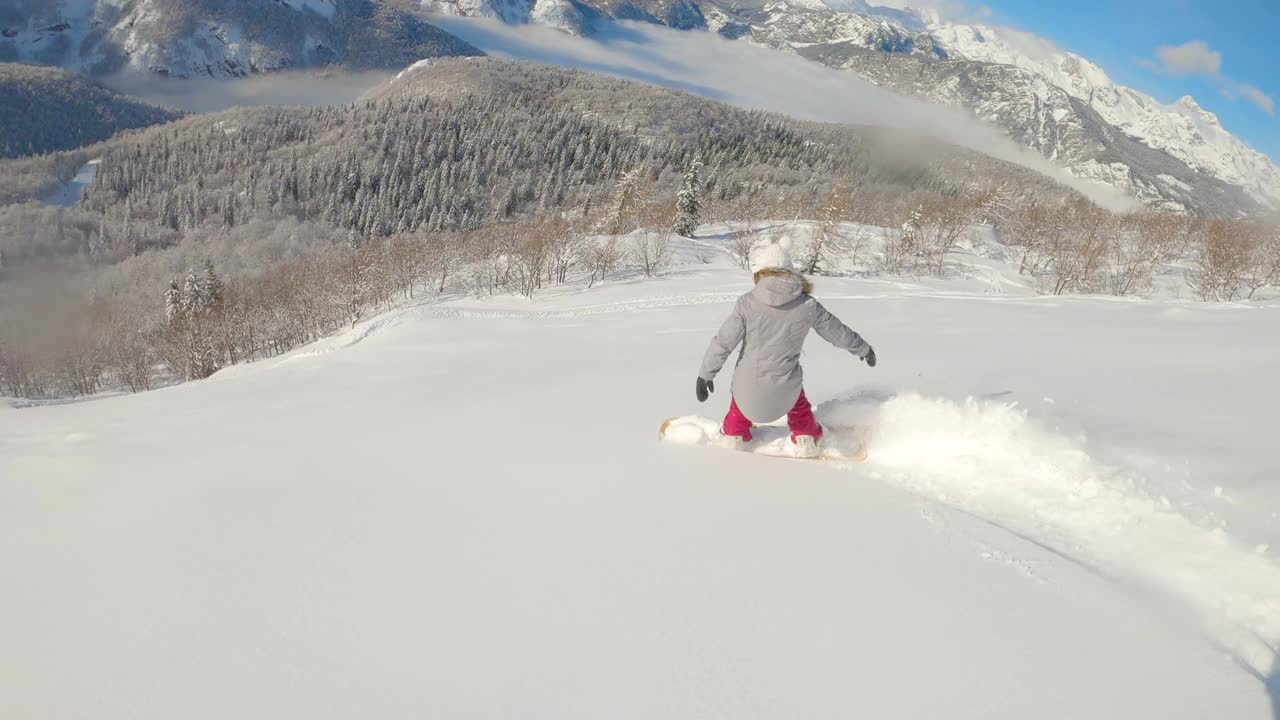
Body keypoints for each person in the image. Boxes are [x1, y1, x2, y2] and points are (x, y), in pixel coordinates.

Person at [695, 237, 876, 456]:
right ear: (790, 273)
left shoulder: (746, 303)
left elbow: (723, 342)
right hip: (785, 392)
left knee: (742, 395)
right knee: (797, 400)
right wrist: (862, 348)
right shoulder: (807, 305)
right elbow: (836, 331)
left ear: (760, 273)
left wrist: (706, 374)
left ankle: (734, 434)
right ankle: (805, 437)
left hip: (747, 392)